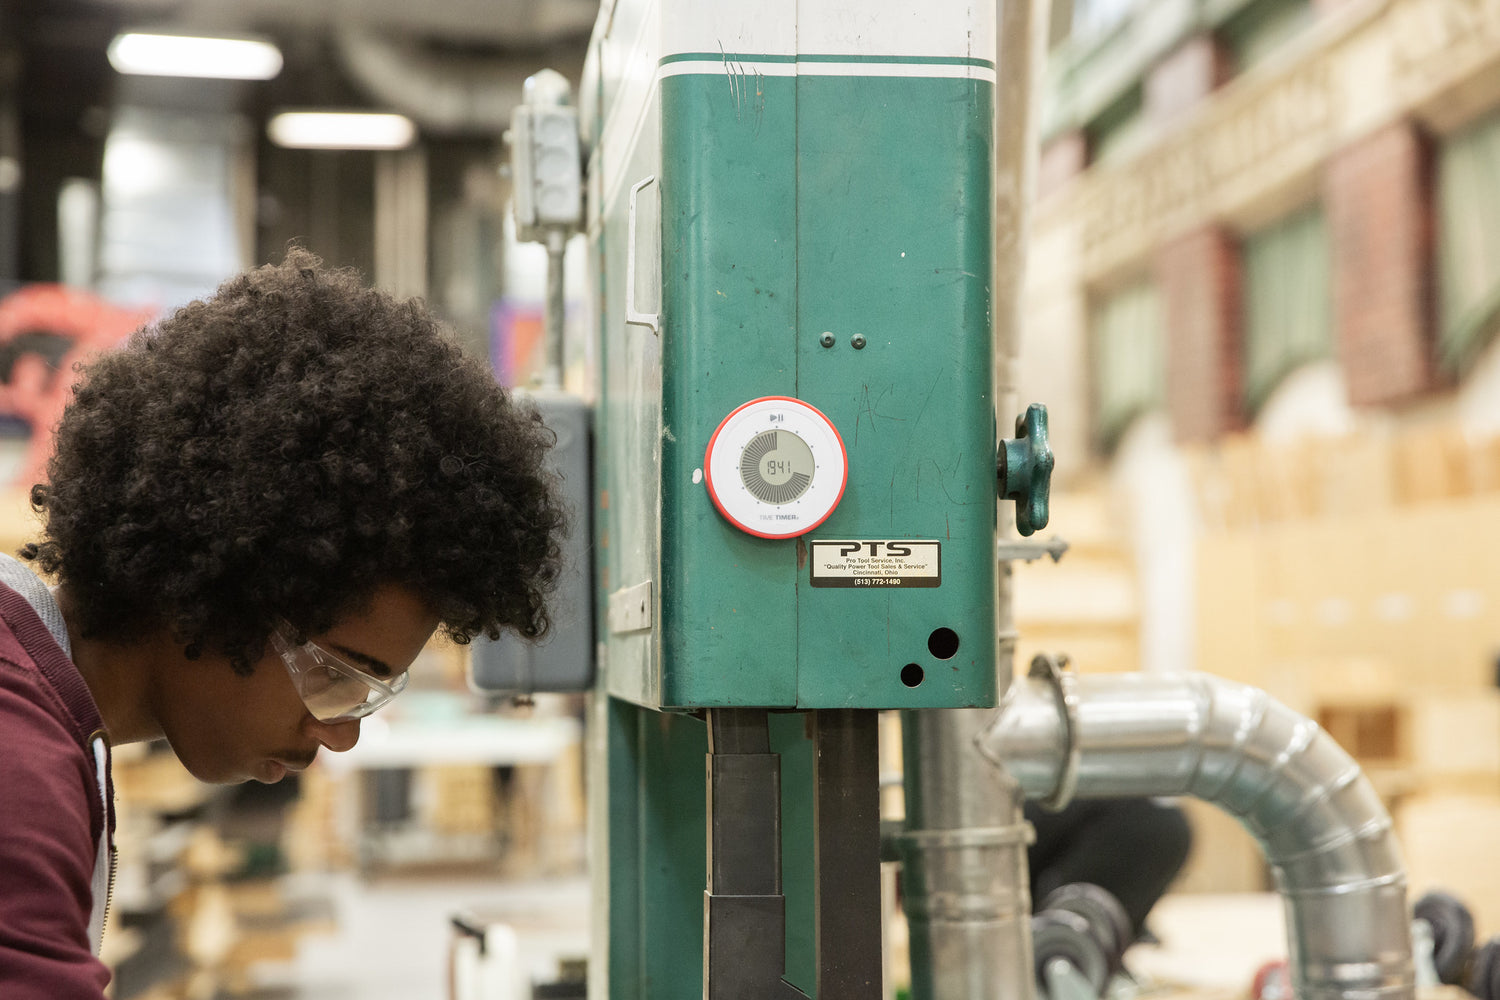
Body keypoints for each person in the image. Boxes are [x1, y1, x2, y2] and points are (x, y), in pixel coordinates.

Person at [0, 249, 566, 999]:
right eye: (336, 676)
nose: (341, 735)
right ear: (216, 576)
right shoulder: (20, 763)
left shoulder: (46, 714)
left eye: (370, 696)